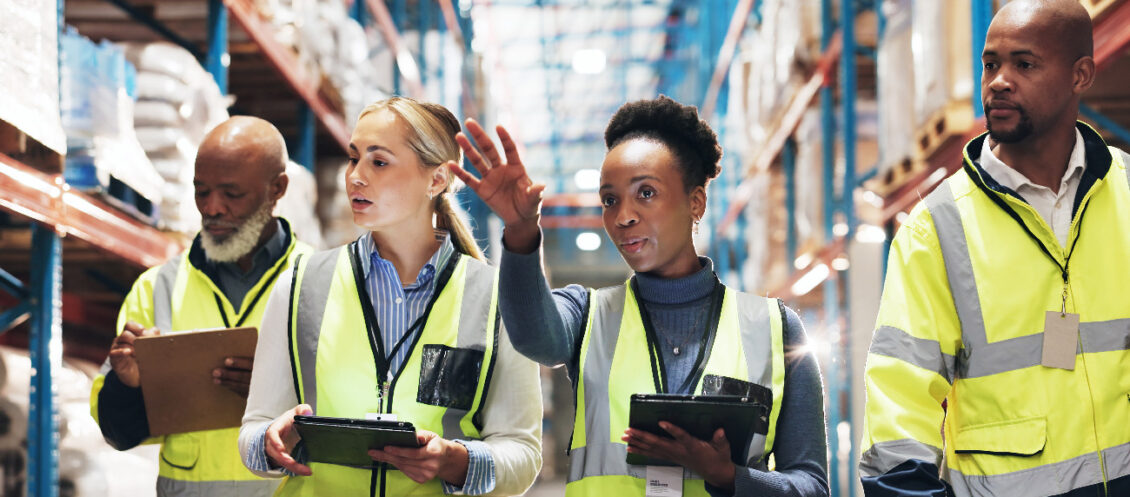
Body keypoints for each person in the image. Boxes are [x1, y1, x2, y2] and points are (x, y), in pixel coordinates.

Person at [451, 95, 829, 497]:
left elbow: (811, 485)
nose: (623, 216)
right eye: (610, 200)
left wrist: (729, 477)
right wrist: (521, 231)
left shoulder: (775, 329)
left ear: (695, 202)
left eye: (645, 193)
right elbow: (534, 337)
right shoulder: (588, 314)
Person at [858, 1, 1130, 495]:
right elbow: (899, 406)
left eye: (1023, 64)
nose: (999, 81)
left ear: (1081, 75)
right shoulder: (935, 230)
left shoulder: (1128, 192)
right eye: (990, 64)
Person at [238, 97, 543, 496]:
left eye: (378, 162)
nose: (355, 177)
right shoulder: (299, 285)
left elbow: (522, 450)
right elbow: (253, 428)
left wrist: (456, 460)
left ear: (435, 181)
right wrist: (268, 443)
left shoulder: (496, 300)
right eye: (353, 158)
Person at [90, 116, 314, 496]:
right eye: (201, 191)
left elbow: (357, 409)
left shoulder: (319, 282)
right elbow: (117, 433)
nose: (212, 208)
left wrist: (277, 394)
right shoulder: (156, 287)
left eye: (231, 193)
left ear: (277, 189)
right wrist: (128, 385)